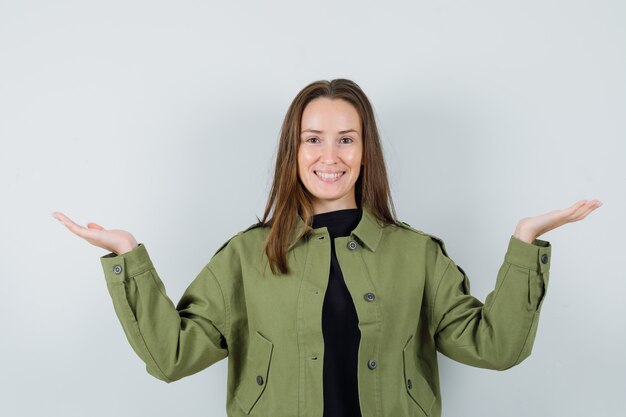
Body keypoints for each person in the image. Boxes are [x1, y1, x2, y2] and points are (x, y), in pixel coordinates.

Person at [53, 78, 601, 417]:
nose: (329, 155)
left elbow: (496, 348)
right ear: (294, 149)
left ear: (366, 151)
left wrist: (527, 242)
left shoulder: (417, 254)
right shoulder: (245, 257)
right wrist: (127, 257)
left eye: (346, 138)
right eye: (313, 139)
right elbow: (171, 357)